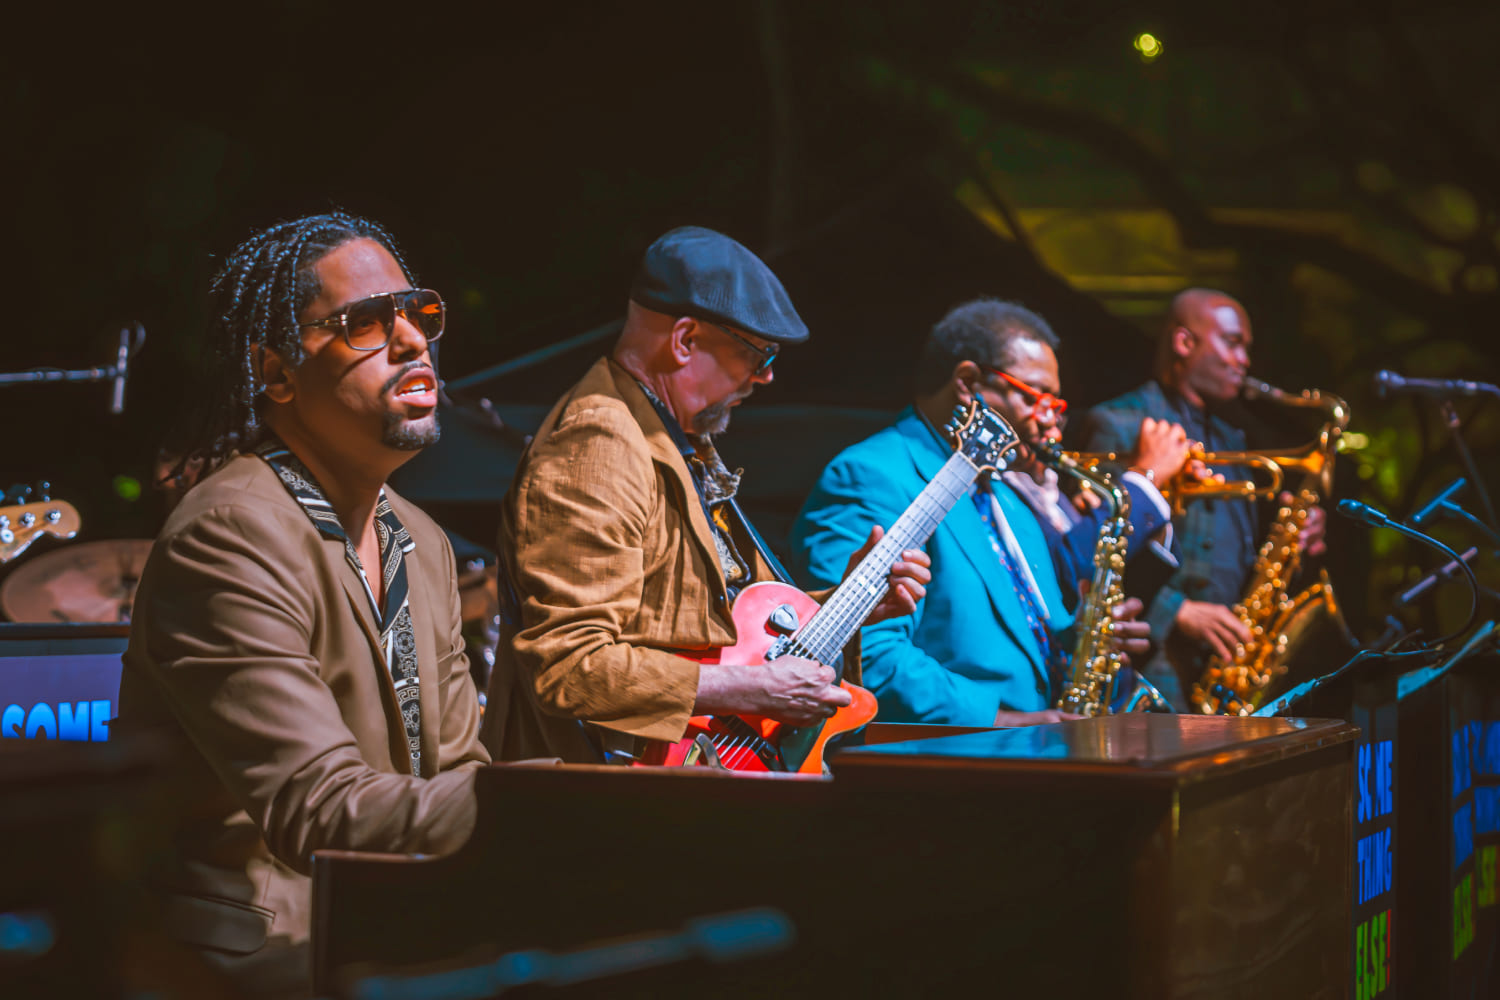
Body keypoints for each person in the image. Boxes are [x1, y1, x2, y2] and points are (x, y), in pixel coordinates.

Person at [115, 213, 490, 997]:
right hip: (253, 955)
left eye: (419, 313)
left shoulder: (420, 540)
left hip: (390, 927)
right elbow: (316, 809)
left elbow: (459, 771)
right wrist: (551, 810)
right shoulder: (231, 532)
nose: (413, 341)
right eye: (365, 323)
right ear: (278, 372)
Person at [482, 226, 929, 763]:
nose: (764, 379)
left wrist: (850, 608)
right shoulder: (599, 444)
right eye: (757, 356)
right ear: (685, 340)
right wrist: (753, 691)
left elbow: (713, 637)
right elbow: (571, 666)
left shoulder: (666, 435)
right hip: (605, 798)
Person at [790, 298, 1172, 726]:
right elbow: (863, 655)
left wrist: (1086, 637)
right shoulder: (870, 475)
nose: (1051, 421)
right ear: (968, 383)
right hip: (951, 764)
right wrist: (1008, 721)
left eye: (1057, 404)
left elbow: (1031, 630)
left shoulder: (1007, 494)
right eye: (1037, 397)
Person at [1071, 288, 1326, 708]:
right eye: (1233, 342)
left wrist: (1295, 537)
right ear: (1184, 342)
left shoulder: (1233, 441)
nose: (1244, 360)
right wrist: (1179, 612)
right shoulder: (1118, 423)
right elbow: (1098, 550)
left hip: (1222, 659)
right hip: (1151, 659)